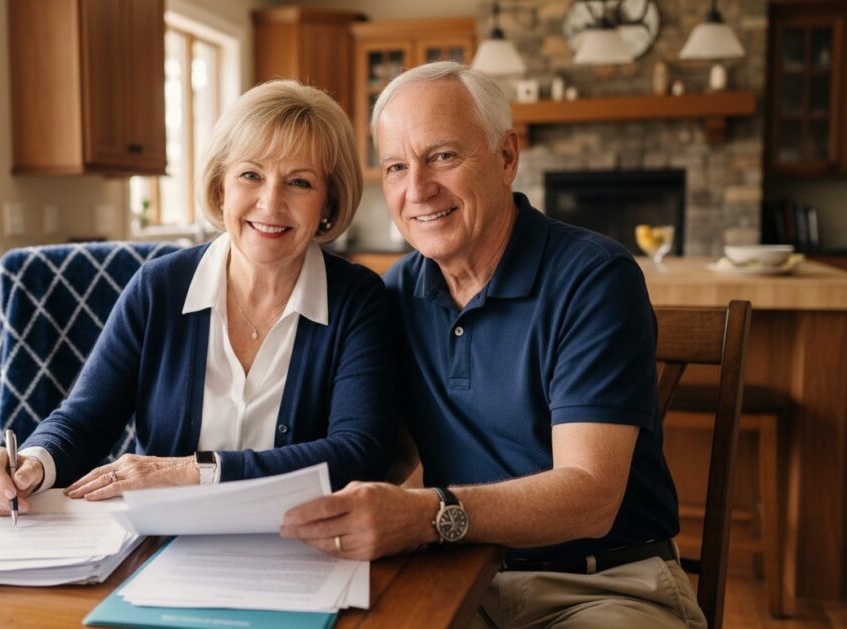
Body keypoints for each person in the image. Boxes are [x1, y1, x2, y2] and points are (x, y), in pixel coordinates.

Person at [280, 62, 706, 628]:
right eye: (396, 167)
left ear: (507, 157)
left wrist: (430, 515)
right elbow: (384, 451)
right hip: (453, 578)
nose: (418, 189)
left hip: (602, 585)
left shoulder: (594, 277)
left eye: (443, 157)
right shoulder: (398, 291)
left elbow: (590, 496)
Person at [0, 80, 394, 516]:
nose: (270, 203)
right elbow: (84, 421)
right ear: (221, 188)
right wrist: (32, 464)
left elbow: (357, 455)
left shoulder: (358, 301)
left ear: (328, 201)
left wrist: (193, 472)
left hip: (295, 547)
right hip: (162, 544)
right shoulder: (158, 287)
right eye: (250, 175)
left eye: (300, 182)